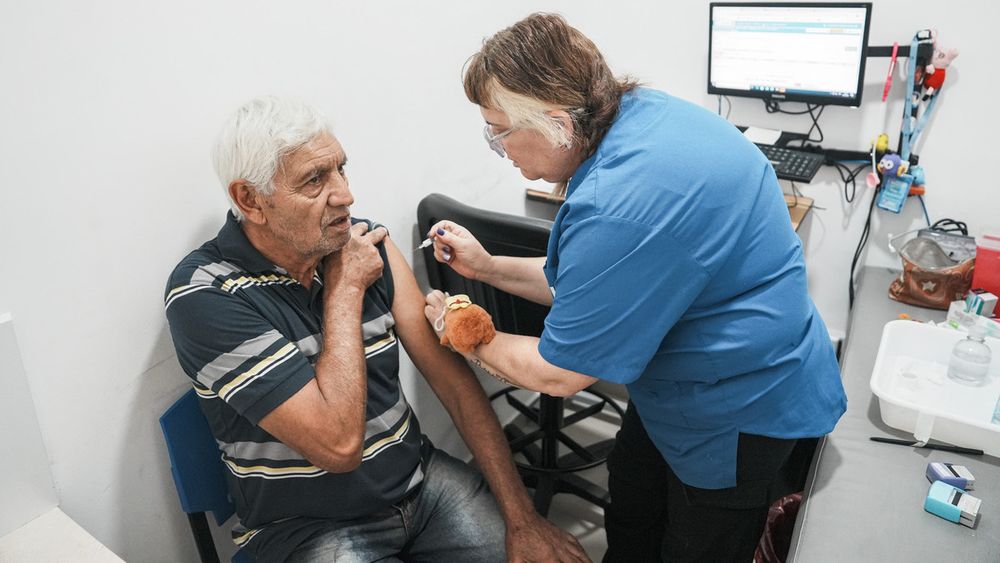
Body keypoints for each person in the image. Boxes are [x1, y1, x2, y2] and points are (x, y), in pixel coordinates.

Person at [422, 13, 847, 563]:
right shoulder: (643, 114)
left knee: (697, 545)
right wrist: (487, 268)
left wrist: (460, 331)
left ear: (556, 122)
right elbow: (597, 291)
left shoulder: (621, 206)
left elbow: (558, 372)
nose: (498, 147)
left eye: (499, 129)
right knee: (632, 504)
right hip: (679, 385)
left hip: (736, 407)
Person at [164, 96, 588, 563]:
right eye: (314, 180)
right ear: (251, 200)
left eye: (341, 169)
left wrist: (522, 519)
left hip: (419, 483)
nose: (345, 195)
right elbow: (339, 446)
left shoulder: (365, 244)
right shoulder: (206, 293)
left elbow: (453, 383)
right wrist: (344, 292)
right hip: (305, 528)